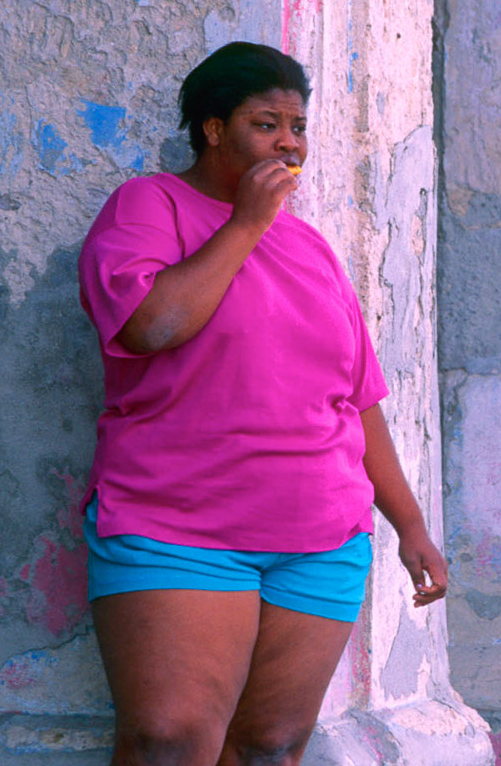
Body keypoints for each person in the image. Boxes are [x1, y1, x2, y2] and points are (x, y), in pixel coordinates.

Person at [76, 41, 446, 766]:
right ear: (214, 129)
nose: (289, 143)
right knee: (169, 741)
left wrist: (410, 525)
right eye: (266, 123)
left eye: (298, 126)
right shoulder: (149, 207)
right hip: (176, 525)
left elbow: (357, 398)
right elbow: (151, 326)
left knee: (269, 748)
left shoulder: (310, 248)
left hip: (320, 537)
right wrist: (244, 223)